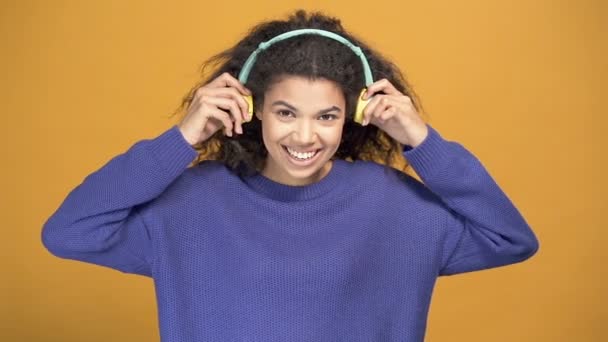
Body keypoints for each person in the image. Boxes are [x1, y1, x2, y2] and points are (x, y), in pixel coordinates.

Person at [41, 9, 539, 342]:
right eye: (285, 113)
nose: (305, 136)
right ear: (253, 109)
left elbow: (510, 239)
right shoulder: (192, 202)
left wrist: (422, 141)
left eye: (326, 116)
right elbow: (69, 232)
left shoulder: (393, 204)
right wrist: (183, 138)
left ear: (355, 117)